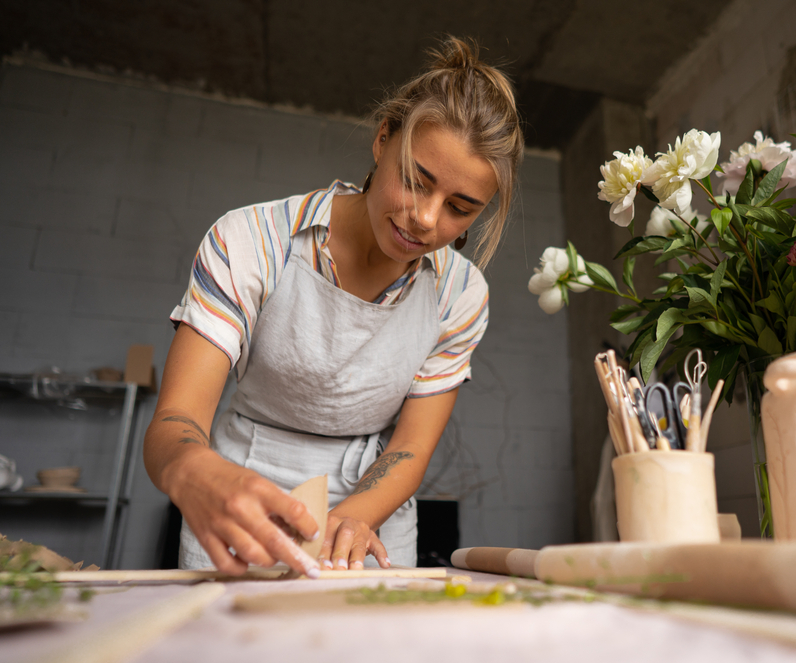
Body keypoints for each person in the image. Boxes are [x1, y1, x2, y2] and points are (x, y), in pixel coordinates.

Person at [143, 36, 524, 577]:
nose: (426, 219)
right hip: (240, 489)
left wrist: (351, 519)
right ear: (382, 139)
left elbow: (411, 448)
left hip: (375, 504)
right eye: (416, 181)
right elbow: (175, 420)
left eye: (460, 209)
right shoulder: (250, 240)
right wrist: (194, 471)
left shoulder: (461, 295)